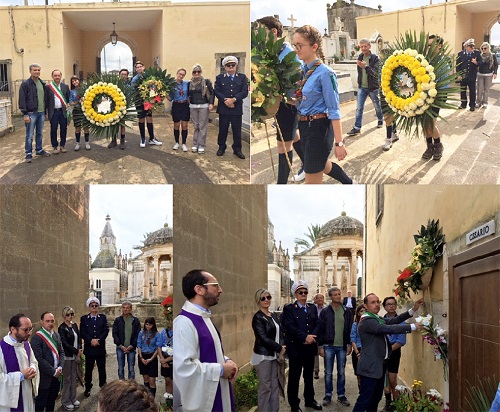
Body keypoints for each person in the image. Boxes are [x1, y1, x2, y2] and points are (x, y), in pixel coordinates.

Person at [293, 25, 353, 184]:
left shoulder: (325, 73)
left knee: (312, 179)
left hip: (319, 128)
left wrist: (339, 143)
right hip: (304, 126)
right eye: (294, 45)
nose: (296, 49)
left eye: (300, 46)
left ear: (314, 47)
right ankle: (349, 182)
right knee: (321, 165)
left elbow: (334, 110)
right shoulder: (303, 71)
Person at [174, 269, 237, 411]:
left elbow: (208, 351)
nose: (220, 290)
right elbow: (183, 368)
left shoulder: (204, 317)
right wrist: (220, 370)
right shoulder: (184, 322)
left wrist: (227, 361)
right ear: (199, 289)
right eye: (216, 285)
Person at [352, 294, 425, 412]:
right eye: (373, 302)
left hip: (379, 365)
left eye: (378, 301)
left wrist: (412, 310)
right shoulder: (367, 320)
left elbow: (393, 321)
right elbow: (387, 329)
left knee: (375, 399)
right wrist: (412, 326)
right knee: (364, 400)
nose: (376, 304)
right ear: (365, 306)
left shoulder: (375, 317)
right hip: (370, 367)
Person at [255, 15, 306, 184]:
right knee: (293, 137)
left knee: (283, 146)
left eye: (261, 30)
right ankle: (308, 165)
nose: (258, 34)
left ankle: (281, 184)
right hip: (278, 103)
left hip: (289, 104)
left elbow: (297, 80)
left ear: (274, 32)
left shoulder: (289, 54)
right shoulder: (269, 52)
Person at [282, 280, 322, 411]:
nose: (303, 294)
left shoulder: (312, 308)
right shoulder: (289, 309)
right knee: (294, 377)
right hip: (296, 349)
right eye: (300, 292)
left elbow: (318, 323)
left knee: (309, 376)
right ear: (295, 294)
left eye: (305, 292)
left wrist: (312, 337)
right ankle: (294, 405)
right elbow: (289, 327)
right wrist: (305, 337)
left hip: (310, 348)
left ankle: (310, 400)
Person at [250, 288, 286, 412]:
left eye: (268, 297)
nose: (266, 300)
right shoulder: (258, 317)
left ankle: (274, 410)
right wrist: (279, 348)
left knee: (275, 385)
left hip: (274, 355)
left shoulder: (273, 315)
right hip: (263, 356)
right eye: (263, 298)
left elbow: (280, 333)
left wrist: (283, 345)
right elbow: (263, 338)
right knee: (265, 387)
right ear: (258, 301)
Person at [317, 287, 353, 407]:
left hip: (342, 346)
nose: (338, 296)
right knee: (328, 373)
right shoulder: (325, 312)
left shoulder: (347, 311)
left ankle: (341, 395)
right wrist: (320, 346)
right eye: (335, 295)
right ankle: (328, 395)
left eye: (339, 294)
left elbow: (349, 329)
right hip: (328, 346)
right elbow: (320, 330)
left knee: (341, 372)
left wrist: (349, 344)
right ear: (330, 297)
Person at [0, 314, 39, 411]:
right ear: (13, 329)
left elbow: (33, 361)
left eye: (30, 329)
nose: (29, 333)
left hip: (27, 394)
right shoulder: (1, 348)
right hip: (10, 402)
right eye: (25, 330)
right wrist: (20, 376)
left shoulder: (26, 344)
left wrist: (33, 369)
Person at [346, 38, 383, 137]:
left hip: (373, 87)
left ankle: (380, 119)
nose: (363, 48)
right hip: (362, 87)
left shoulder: (375, 58)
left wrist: (366, 67)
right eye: (361, 47)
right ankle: (357, 128)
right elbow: (360, 73)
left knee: (376, 105)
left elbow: (375, 72)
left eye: (365, 46)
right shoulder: (360, 57)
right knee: (359, 108)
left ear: (369, 46)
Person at [214, 56, 248, 159]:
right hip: (224, 108)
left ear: (236, 66)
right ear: (225, 67)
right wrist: (226, 100)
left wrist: (233, 100)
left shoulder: (242, 77)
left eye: (233, 65)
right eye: (228, 65)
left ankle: (237, 149)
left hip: (236, 108)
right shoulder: (220, 78)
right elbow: (217, 91)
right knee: (223, 129)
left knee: (237, 130)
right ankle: (221, 147)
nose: (231, 67)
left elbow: (244, 91)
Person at [31, 311, 65, 412]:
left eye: (52, 321)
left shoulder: (56, 335)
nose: (50, 323)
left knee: (52, 402)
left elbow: (62, 353)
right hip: (44, 378)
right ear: (41, 322)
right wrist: (53, 372)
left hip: (56, 375)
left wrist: (60, 367)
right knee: (41, 403)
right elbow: (39, 359)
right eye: (47, 321)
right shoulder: (36, 338)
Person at [19, 63, 51, 163]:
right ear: (30, 71)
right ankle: (28, 153)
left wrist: (45, 112)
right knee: (29, 135)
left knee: (40, 133)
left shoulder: (42, 83)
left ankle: (39, 150)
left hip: (41, 113)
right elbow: (22, 99)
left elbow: (44, 99)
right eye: (35, 70)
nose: (37, 72)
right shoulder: (25, 84)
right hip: (31, 113)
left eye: (38, 70)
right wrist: (25, 114)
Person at [422, 35, 446, 161]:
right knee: (425, 124)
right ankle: (429, 146)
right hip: (423, 97)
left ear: (440, 46)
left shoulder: (443, 62)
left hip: (437, 97)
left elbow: (444, 84)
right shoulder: (425, 61)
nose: (429, 47)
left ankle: (438, 145)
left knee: (431, 123)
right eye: (428, 45)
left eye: (432, 45)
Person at [80, 297, 109, 397]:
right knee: (88, 370)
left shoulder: (102, 317)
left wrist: (99, 340)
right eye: (92, 306)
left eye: (96, 305)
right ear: (89, 307)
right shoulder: (84, 319)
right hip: (90, 349)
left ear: (98, 307)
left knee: (102, 370)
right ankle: (88, 387)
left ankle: (103, 387)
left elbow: (106, 330)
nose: (94, 307)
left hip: (100, 348)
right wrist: (90, 340)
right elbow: (82, 332)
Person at [381, 297, 406, 412]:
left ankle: (397, 403)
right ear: (385, 307)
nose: (391, 306)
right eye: (388, 304)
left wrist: (388, 350)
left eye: (393, 304)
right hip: (382, 352)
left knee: (392, 379)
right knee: (384, 379)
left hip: (394, 352)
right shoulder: (381, 321)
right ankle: (387, 403)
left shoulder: (401, 321)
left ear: (396, 306)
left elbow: (401, 341)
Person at [131, 60, 162, 148]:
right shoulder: (135, 79)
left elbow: (153, 87)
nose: (139, 68)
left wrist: (153, 97)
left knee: (150, 119)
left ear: (143, 67)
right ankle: (143, 138)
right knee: (141, 120)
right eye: (137, 67)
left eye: (141, 66)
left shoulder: (148, 77)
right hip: (140, 103)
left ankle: (152, 139)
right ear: (136, 69)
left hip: (148, 102)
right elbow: (133, 91)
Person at [58, 306, 82, 411]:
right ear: (64, 315)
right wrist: (76, 351)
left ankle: (73, 398)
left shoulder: (74, 325)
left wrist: (80, 349)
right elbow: (65, 343)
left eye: (72, 314)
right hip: (68, 357)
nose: (70, 316)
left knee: (74, 378)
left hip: (75, 356)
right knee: (67, 380)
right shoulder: (62, 328)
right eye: (68, 314)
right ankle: (65, 401)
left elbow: (79, 338)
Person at [188, 64, 215, 155]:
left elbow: (212, 93)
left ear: (201, 72)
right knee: (196, 126)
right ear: (192, 73)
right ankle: (195, 144)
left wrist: (211, 103)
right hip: (193, 106)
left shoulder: (206, 82)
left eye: (198, 71)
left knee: (202, 126)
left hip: (204, 106)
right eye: (194, 72)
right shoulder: (190, 83)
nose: (196, 73)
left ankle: (202, 145)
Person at [112, 301, 141, 380]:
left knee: (131, 368)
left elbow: (138, 334)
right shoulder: (118, 320)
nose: (125, 309)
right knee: (121, 368)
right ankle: (122, 385)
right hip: (120, 348)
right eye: (124, 308)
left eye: (127, 308)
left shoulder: (135, 321)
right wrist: (120, 345)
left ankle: (131, 386)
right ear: (122, 309)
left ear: (131, 309)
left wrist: (132, 345)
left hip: (131, 348)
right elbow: (115, 334)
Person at [46, 69, 71, 155]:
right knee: (53, 129)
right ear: (52, 77)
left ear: (61, 76)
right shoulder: (48, 87)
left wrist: (69, 111)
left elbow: (68, 99)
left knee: (64, 128)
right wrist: (46, 112)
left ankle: (62, 145)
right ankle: (55, 146)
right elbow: (46, 101)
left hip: (63, 111)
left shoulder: (65, 87)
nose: (57, 77)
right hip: (53, 112)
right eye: (55, 75)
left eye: (58, 75)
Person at [168, 68, 190, 152]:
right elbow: (170, 98)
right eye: (180, 74)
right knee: (176, 125)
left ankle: (184, 143)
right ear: (177, 74)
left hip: (185, 105)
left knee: (184, 125)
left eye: (183, 75)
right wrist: (164, 94)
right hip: (176, 105)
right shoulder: (171, 84)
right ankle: (177, 142)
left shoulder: (187, 83)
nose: (181, 76)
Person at [108, 68, 130, 149]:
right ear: (119, 75)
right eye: (122, 74)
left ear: (127, 76)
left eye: (125, 74)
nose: (123, 76)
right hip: (113, 108)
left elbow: (129, 97)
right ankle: (113, 141)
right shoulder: (114, 85)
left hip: (123, 108)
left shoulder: (128, 86)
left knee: (122, 124)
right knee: (113, 124)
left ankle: (122, 142)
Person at [137, 317, 160, 397]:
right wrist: (141, 357)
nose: (148, 326)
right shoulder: (141, 333)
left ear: (153, 325)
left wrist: (151, 359)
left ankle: (152, 397)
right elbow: (139, 345)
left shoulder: (157, 334)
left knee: (152, 380)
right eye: (146, 324)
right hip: (143, 355)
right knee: (145, 378)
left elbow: (158, 348)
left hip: (152, 356)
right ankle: (147, 397)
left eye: (150, 325)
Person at [457, 38, 481, 111]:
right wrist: (459, 74)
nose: (473, 48)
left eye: (473, 47)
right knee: (463, 91)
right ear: (466, 46)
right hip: (463, 76)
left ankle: (472, 105)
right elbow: (458, 65)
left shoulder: (476, 53)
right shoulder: (460, 54)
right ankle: (463, 104)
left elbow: (481, 62)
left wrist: (476, 63)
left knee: (472, 91)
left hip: (472, 76)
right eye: (471, 47)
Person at [69, 76, 91, 151]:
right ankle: (77, 143)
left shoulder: (85, 89)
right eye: (73, 81)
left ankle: (87, 143)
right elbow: (71, 102)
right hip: (77, 110)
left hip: (85, 110)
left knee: (86, 127)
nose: (75, 82)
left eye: (76, 80)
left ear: (79, 80)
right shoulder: (72, 91)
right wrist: (77, 102)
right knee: (77, 128)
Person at [476, 42, 498, 109]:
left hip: (489, 74)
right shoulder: (479, 56)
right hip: (480, 74)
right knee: (480, 89)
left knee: (486, 89)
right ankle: (478, 102)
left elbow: (496, 65)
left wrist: (495, 73)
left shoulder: (492, 55)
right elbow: (477, 64)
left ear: (488, 48)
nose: (483, 49)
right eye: (482, 48)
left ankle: (485, 102)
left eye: (485, 48)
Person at [350, 304, 365, 391]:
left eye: (365, 311)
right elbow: (353, 340)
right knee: (359, 375)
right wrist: (357, 354)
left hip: (368, 351)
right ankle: (361, 392)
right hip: (358, 350)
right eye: (361, 311)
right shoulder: (355, 325)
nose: (363, 313)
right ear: (358, 313)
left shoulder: (371, 323)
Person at [313, 293, 326, 380]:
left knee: (326, 352)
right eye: (318, 298)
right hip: (315, 333)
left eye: (321, 298)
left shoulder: (327, 309)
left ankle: (327, 370)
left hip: (324, 333)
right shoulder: (312, 308)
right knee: (315, 353)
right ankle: (316, 370)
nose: (320, 300)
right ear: (315, 299)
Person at [157, 324, 173, 396]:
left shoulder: (180, 332)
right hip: (164, 359)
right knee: (167, 381)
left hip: (175, 359)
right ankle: (169, 400)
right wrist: (162, 359)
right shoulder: (163, 332)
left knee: (175, 382)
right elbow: (159, 346)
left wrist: (166, 360)